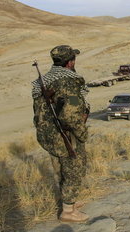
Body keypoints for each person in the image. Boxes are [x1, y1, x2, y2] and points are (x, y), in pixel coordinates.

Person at [32, 45, 90, 222]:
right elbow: (71, 112)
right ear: (70, 62)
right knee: (74, 170)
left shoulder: (43, 81)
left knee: (60, 169)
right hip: (67, 136)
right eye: (73, 59)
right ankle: (68, 212)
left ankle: (69, 201)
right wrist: (82, 133)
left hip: (49, 135)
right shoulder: (68, 82)